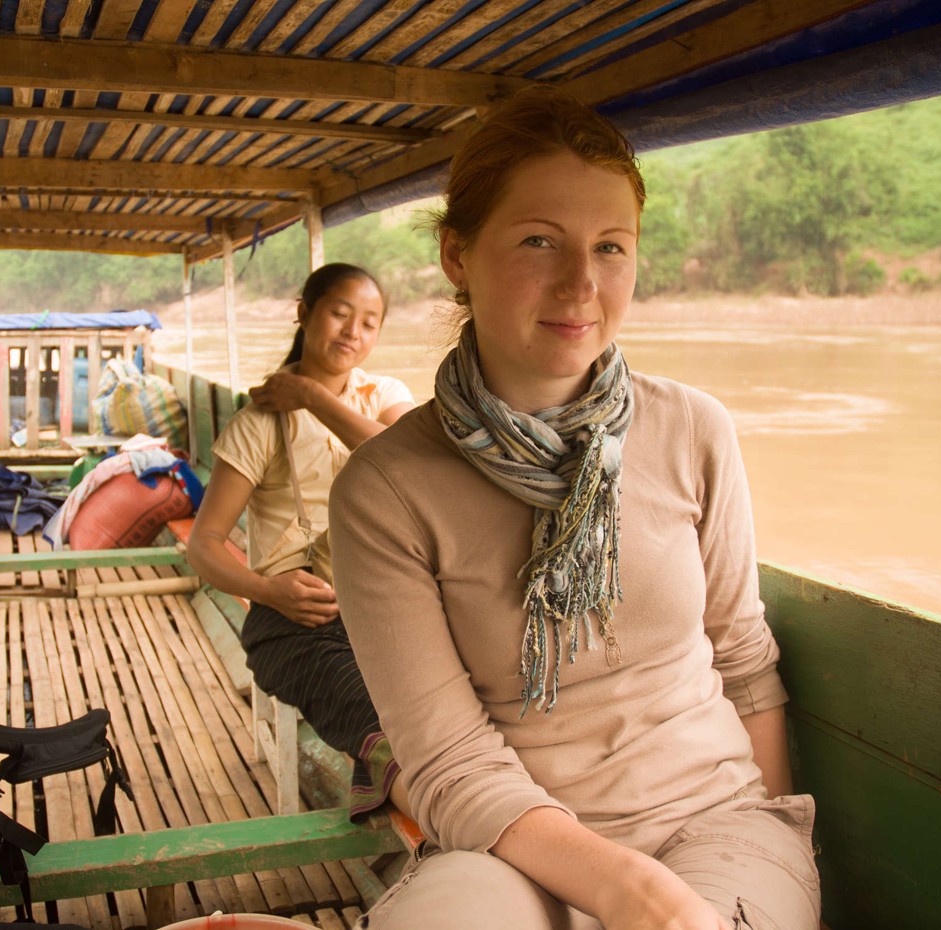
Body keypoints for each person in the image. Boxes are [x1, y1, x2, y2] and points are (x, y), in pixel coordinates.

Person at [329, 88, 821, 930]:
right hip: (510, 845)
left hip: (716, 821)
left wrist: (777, 844)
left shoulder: (693, 428)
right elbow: (448, 757)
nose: (581, 284)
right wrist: (634, 893)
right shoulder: (386, 489)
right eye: (539, 241)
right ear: (457, 254)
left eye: (610, 247)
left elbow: (744, 663)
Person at [186, 262, 415, 819]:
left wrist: (311, 395)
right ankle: (442, 810)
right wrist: (268, 591)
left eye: (369, 323)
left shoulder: (384, 395)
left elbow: (406, 460)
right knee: (378, 719)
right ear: (304, 313)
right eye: (340, 313)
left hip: (389, 598)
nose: (353, 332)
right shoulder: (258, 423)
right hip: (300, 615)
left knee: (447, 700)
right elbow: (204, 544)